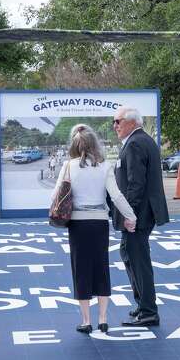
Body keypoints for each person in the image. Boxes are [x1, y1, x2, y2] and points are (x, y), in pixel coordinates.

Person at [54, 125, 137, 333]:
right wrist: (131, 216)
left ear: (74, 144)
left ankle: (86, 321)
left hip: (77, 223)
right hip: (100, 222)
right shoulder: (105, 166)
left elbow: (56, 194)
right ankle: (102, 319)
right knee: (101, 267)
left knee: (80, 269)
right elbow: (116, 196)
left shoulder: (68, 166)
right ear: (95, 144)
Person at [111, 106, 169, 327]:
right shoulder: (141, 140)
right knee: (129, 254)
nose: (115, 126)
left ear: (132, 122)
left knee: (138, 261)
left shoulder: (135, 143)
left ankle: (148, 311)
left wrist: (129, 214)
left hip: (138, 214)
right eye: (114, 122)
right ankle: (142, 305)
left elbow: (136, 183)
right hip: (142, 212)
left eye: (118, 121)